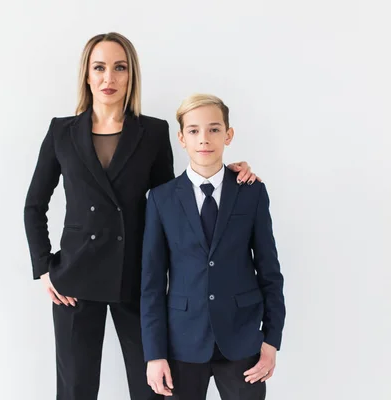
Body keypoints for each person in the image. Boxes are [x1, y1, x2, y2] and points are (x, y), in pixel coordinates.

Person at [24, 33, 259, 400]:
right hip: (74, 280)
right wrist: (43, 266)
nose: (109, 78)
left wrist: (228, 173)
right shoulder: (61, 132)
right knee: (74, 390)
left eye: (120, 68)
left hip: (134, 277)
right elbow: (34, 205)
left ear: (131, 75)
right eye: (99, 68)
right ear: (86, 75)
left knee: (152, 389)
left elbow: (173, 204)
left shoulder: (152, 131)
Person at [140, 93, 285, 400]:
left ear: (228, 135)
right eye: (193, 130)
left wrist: (272, 341)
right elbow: (151, 283)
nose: (203, 139)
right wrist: (154, 354)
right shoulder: (161, 199)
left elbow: (270, 272)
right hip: (182, 341)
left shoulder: (252, 191)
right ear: (181, 138)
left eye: (214, 129)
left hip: (242, 340)